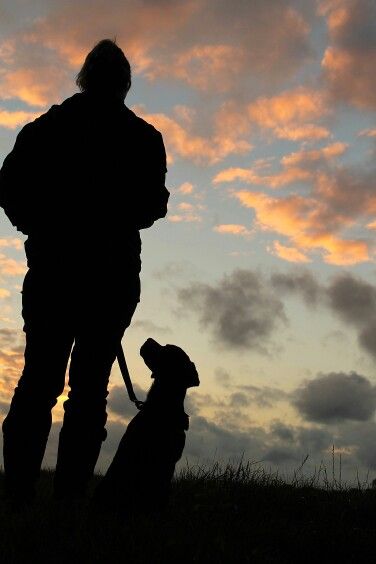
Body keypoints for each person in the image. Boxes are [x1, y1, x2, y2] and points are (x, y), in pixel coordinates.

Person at [0, 39, 169, 501]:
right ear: (125, 85)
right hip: (110, 280)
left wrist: (34, 225)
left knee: (38, 381)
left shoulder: (44, 129)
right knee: (89, 388)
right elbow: (154, 205)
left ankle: (18, 492)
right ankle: (70, 496)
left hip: (53, 273)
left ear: (84, 77)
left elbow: (8, 185)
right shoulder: (144, 138)